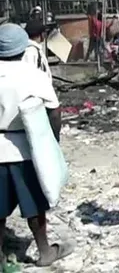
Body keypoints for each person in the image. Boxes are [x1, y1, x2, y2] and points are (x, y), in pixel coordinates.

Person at [0, 23, 71, 267]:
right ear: (23, 48)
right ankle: (44, 252)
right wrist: (53, 140)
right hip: (25, 148)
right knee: (34, 204)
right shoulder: (33, 75)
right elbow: (54, 111)